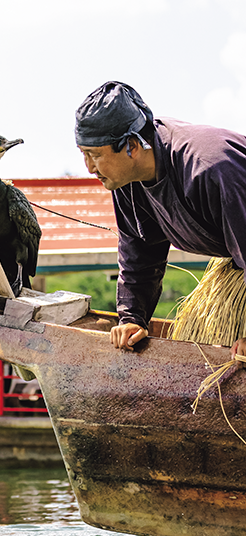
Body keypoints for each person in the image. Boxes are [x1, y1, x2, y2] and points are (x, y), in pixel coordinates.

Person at [75, 81, 246, 359]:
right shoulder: (126, 183)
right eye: (83, 154)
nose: (90, 168)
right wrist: (132, 317)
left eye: (95, 155)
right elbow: (140, 254)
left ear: (132, 145)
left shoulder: (210, 168)